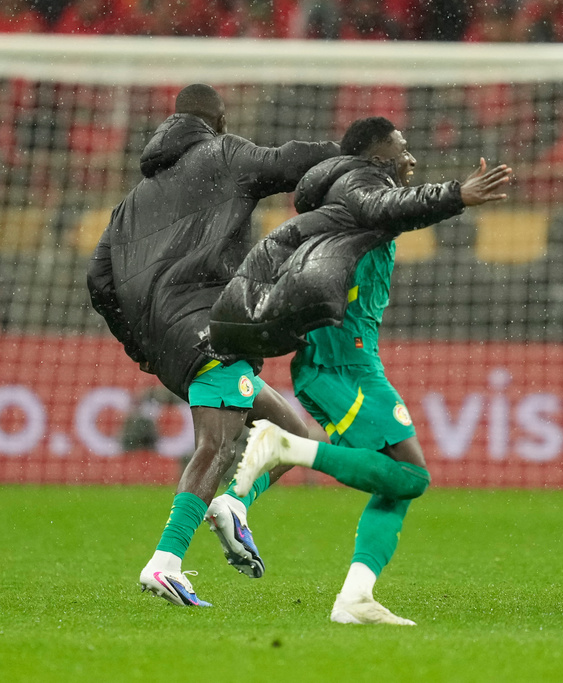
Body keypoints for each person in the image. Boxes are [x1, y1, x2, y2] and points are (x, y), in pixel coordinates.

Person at [206, 116, 511, 624]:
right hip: (341, 360)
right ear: (376, 156)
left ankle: (346, 590)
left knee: (394, 483)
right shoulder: (359, 185)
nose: (410, 159)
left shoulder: (349, 193)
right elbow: (390, 205)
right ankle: (285, 448)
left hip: (343, 357)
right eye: (402, 148)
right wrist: (458, 193)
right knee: (411, 475)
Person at [87, 83, 343, 607]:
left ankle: (232, 504)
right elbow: (285, 162)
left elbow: (100, 283)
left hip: (169, 342)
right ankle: (165, 562)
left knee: (294, 433)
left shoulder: (130, 204)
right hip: (210, 324)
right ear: (218, 121)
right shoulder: (222, 153)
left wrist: (142, 346)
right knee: (219, 445)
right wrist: (350, 155)